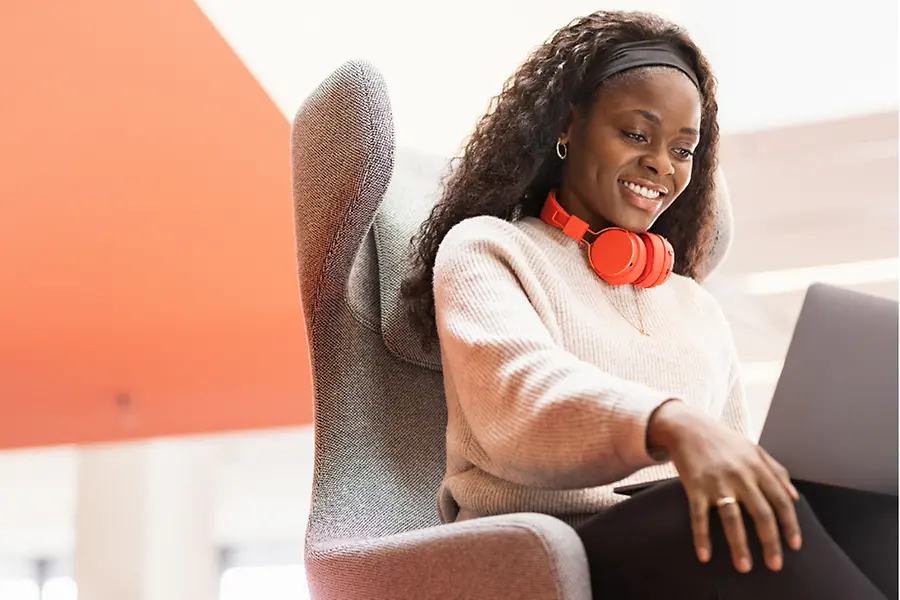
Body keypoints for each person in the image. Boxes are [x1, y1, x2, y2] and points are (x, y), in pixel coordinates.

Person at [401, 10, 897, 600]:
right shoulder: (489, 249)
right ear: (568, 125)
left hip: (680, 542)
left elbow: (734, 452)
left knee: (872, 522)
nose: (662, 164)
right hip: (545, 546)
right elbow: (521, 397)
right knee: (718, 518)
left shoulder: (694, 306)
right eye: (637, 135)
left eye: (683, 149)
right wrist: (671, 423)